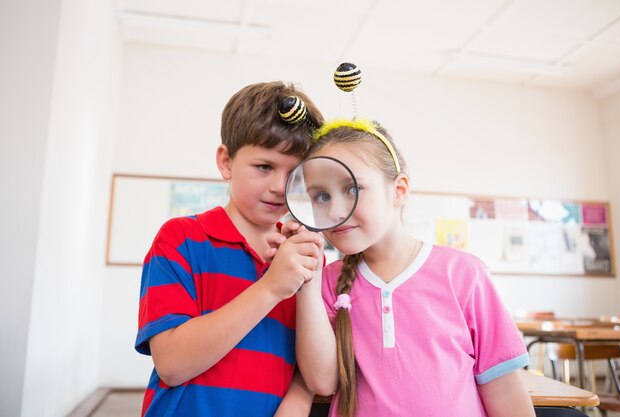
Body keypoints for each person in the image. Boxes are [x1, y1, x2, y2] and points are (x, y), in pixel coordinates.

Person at [291, 119, 535, 417]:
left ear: (399, 190)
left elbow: (504, 387)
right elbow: (322, 381)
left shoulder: (463, 274)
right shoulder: (325, 281)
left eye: (353, 189)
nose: (336, 212)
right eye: (321, 196)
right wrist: (308, 282)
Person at [135, 81, 326, 417]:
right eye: (264, 167)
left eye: (295, 172)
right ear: (225, 162)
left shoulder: (305, 256)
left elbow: (309, 371)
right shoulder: (181, 238)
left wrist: (297, 403)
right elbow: (173, 364)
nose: (280, 186)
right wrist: (271, 287)